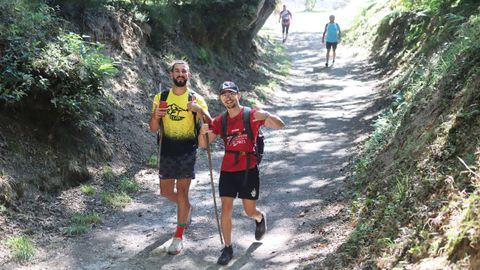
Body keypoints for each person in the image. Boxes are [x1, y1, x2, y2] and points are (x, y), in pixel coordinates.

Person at [198, 81, 285, 265]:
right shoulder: (221, 120)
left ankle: (259, 218)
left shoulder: (251, 115)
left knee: (249, 210)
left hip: (248, 169)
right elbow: (204, 144)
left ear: (239, 95)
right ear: (221, 98)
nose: (228, 97)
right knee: (226, 208)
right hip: (228, 170)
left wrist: (266, 114)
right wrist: (202, 132)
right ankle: (228, 248)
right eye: (224, 94)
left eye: (231, 93)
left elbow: (280, 125)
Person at [149, 60, 212, 255]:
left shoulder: (195, 98)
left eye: (184, 71)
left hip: (187, 150)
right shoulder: (162, 97)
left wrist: (199, 111)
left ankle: (178, 236)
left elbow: (210, 122)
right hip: (167, 150)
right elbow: (152, 128)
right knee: (165, 192)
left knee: (182, 192)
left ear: (189, 75)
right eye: (177, 71)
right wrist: (157, 115)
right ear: (171, 74)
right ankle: (187, 209)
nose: (180, 74)